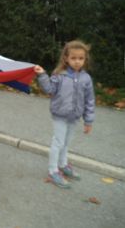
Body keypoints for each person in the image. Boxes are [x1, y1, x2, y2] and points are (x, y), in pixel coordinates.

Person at [34, 40, 95, 189]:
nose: (77, 62)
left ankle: (62, 164)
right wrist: (42, 75)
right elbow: (49, 89)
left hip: (74, 117)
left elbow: (89, 100)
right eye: (73, 58)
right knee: (58, 142)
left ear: (85, 60)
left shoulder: (86, 78)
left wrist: (88, 121)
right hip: (60, 116)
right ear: (66, 58)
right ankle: (53, 170)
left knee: (66, 143)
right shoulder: (59, 75)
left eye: (80, 58)